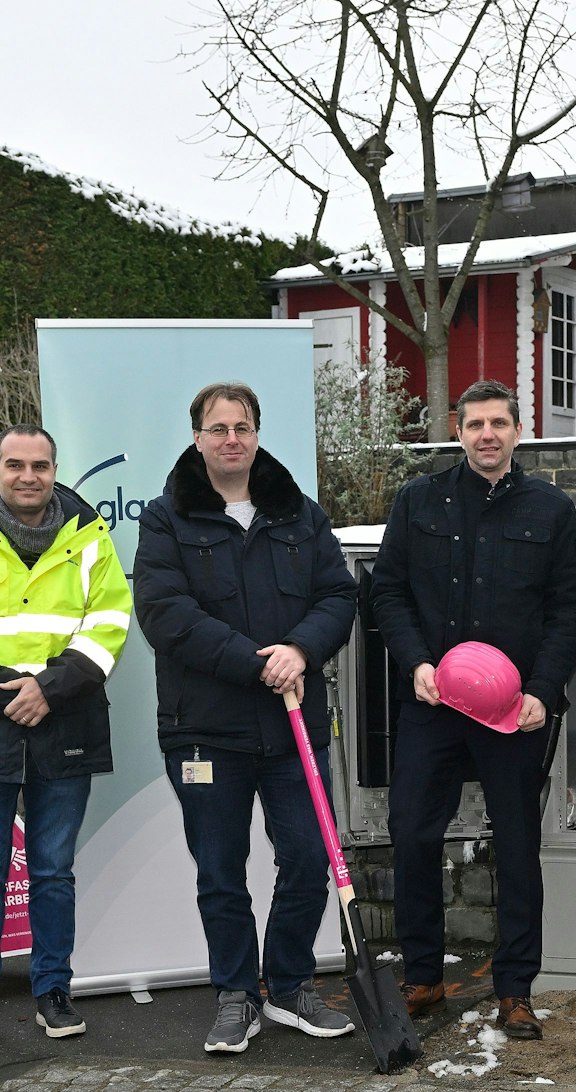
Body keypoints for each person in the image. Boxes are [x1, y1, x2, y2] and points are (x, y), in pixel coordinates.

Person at [133, 383, 359, 1054]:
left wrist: (300, 648)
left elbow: (338, 595)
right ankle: (236, 993)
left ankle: (288, 985)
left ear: (257, 433)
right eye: (218, 427)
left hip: (292, 729)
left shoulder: (299, 515)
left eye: (243, 426)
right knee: (220, 870)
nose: (232, 437)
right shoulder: (165, 519)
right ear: (197, 437)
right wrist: (255, 661)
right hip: (205, 730)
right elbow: (165, 615)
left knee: (308, 858)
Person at [367, 379, 576, 1040]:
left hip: (512, 711)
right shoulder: (418, 502)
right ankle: (423, 972)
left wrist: (542, 693)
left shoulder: (550, 510)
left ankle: (515, 986)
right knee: (411, 831)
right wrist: (416, 663)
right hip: (435, 702)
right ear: (457, 431)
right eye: (475, 424)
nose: (487, 434)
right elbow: (388, 594)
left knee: (517, 843)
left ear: (518, 431)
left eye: (499, 422)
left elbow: (569, 610)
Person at [0, 424, 132, 1054]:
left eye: (40, 465)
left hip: (64, 721)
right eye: (15, 465)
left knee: (53, 872)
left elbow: (110, 621)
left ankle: (53, 992)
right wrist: (11, 692)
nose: (28, 476)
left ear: (55, 468)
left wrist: (51, 689)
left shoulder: (90, 536)